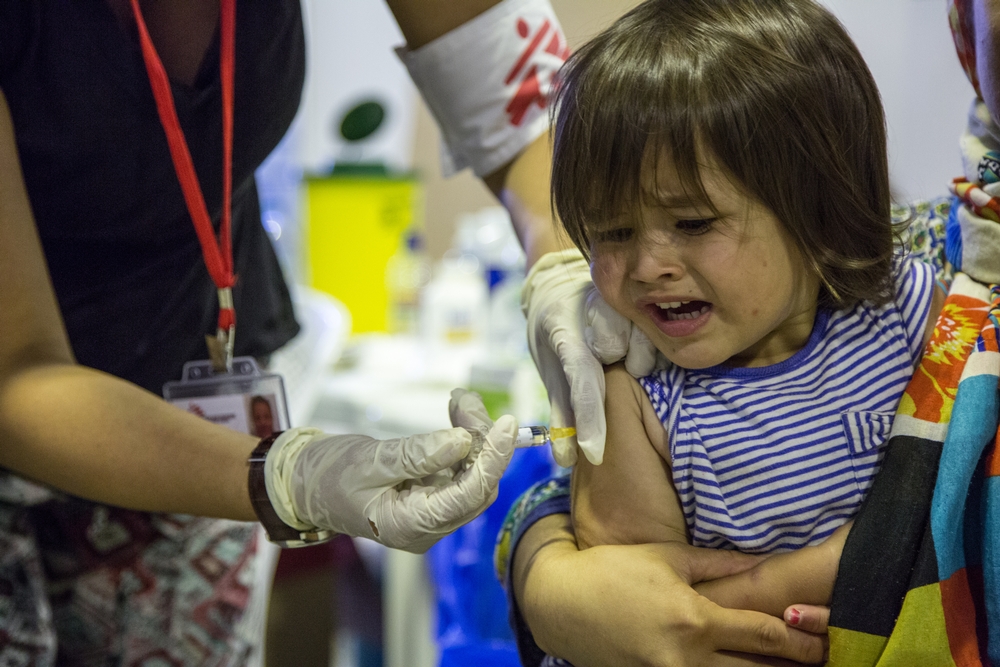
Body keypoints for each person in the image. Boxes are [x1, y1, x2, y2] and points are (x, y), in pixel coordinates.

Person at [0, 0, 625, 662]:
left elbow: (518, 104)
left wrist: (560, 264)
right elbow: (19, 373)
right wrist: (291, 478)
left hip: (204, 370)